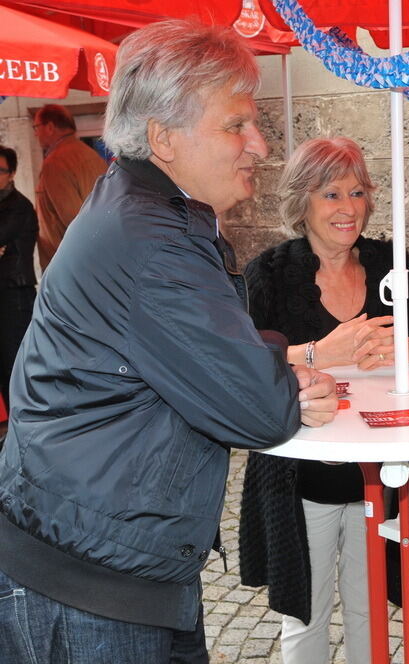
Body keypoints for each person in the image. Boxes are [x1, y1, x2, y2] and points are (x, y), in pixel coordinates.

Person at [0, 20, 339, 664]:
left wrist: (269, 367)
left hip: (102, 559)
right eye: (235, 125)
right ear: (163, 137)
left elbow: (198, 348)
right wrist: (279, 379)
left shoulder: (140, 206)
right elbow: (257, 407)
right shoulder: (154, 238)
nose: (259, 146)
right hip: (90, 581)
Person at [238, 136, 409, 664]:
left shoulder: (391, 264)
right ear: (302, 202)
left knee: (371, 613)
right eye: (331, 194)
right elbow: (242, 365)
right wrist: (318, 352)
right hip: (302, 478)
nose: (348, 208)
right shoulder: (267, 274)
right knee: (305, 618)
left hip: (383, 472)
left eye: (357, 193)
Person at [32, 103, 108, 269]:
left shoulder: (56, 162)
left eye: (36, 127)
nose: (35, 133)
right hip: (97, 258)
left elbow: (71, 219)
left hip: (69, 265)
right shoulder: (91, 156)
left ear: (50, 127)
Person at [0, 145, 37, 423]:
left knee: (16, 369)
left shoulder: (18, 205)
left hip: (15, 297)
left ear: (11, 173)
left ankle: (24, 430)